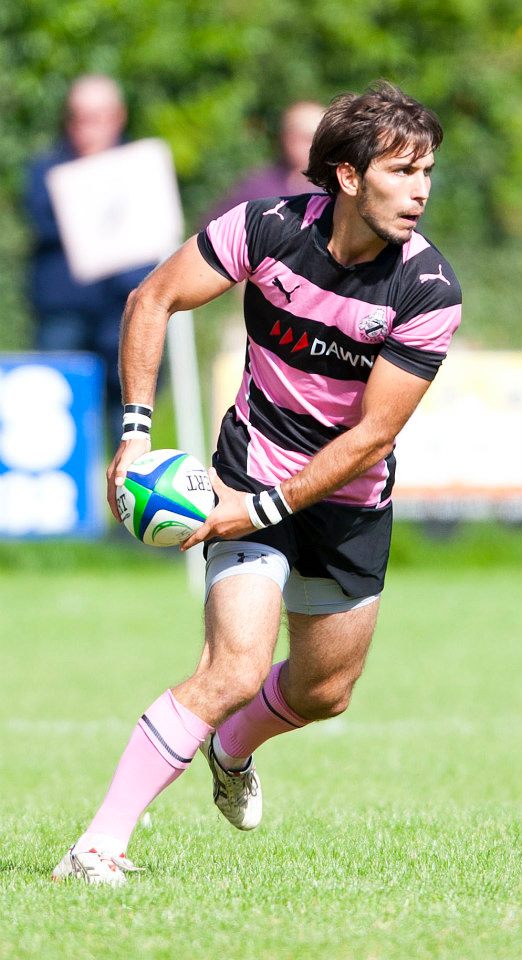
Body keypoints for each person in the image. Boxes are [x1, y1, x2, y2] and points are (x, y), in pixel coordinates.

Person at [53, 80, 461, 885]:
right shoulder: (267, 227)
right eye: (402, 171)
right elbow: (153, 298)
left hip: (347, 501)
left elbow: (373, 435)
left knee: (324, 692)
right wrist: (135, 436)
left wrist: (264, 507)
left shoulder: (427, 289)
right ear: (349, 175)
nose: (420, 190)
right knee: (234, 669)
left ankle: (233, 747)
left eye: (427, 172)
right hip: (250, 464)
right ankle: (98, 846)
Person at [25, 74, 156, 448]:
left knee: (126, 413)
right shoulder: (47, 168)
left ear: (118, 116)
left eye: (97, 117)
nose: (88, 127)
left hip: (123, 307)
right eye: (80, 117)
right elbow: (43, 221)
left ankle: (124, 477)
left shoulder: (141, 167)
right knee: (57, 414)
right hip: (63, 312)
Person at [203, 100, 325, 223]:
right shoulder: (257, 188)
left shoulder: (332, 190)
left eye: (316, 138)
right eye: (302, 137)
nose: (311, 145)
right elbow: (214, 228)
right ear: (284, 137)